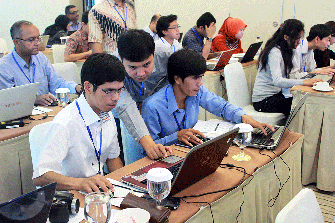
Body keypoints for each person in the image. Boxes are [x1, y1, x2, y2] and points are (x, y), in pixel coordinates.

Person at [142, 48, 274, 146]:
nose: (200, 84)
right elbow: (149, 147)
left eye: (201, 77)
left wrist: (243, 117)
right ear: (177, 78)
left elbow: (221, 107)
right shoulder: (153, 106)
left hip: (191, 151)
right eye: (195, 78)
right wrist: (176, 136)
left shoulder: (196, 92)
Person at [33, 53, 125, 193]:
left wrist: (124, 189)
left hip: (97, 192)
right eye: (109, 91)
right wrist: (80, 183)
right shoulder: (66, 123)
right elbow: (41, 176)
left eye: (119, 90)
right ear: (88, 87)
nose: (115, 98)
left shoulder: (107, 114)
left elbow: (113, 158)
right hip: (71, 196)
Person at [114, 29, 173, 164]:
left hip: (155, 107)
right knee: (133, 151)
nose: (141, 73)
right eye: (133, 67)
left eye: (147, 64)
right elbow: (125, 106)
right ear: (121, 59)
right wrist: (149, 145)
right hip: (127, 109)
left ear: (153, 54)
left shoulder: (165, 55)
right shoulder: (114, 66)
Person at [0, 21, 82, 106]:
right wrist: (34, 99)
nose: (37, 43)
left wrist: (77, 88)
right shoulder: (4, 67)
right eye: (31, 40)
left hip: (45, 113)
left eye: (38, 38)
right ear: (16, 42)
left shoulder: (40, 57)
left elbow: (56, 83)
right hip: (20, 116)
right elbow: (8, 101)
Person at [252, 19, 322, 116]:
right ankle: (293, 131)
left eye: (300, 38)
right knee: (302, 106)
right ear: (286, 37)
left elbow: (292, 75)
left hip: (276, 95)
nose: (299, 42)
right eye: (297, 39)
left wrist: (309, 78)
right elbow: (278, 81)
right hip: (263, 101)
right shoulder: (274, 51)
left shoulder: (288, 51)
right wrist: (304, 82)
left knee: (305, 100)